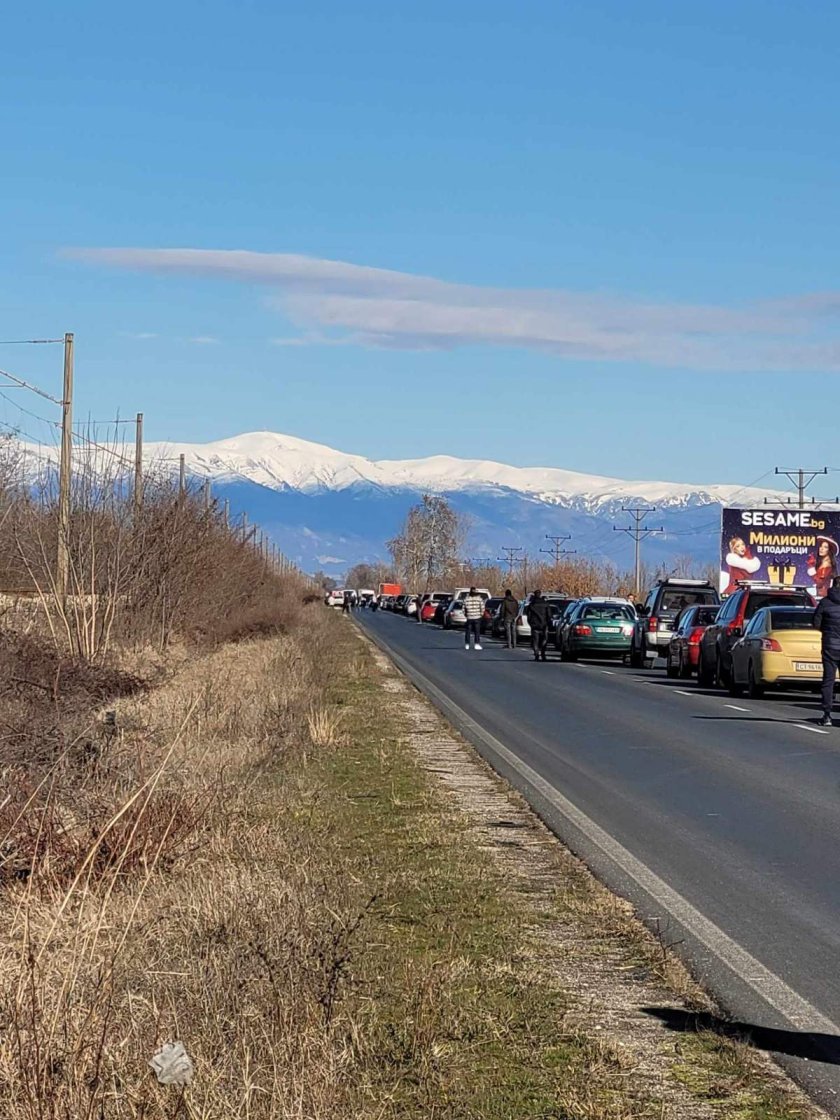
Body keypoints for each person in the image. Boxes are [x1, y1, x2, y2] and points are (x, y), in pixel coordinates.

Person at [813, 576, 840, 726]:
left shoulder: (825, 603)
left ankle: (827, 715)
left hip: (830, 646)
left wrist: (827, 631)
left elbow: (816, 622)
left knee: (828, 681)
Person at [808, 535, 839, 600]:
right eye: (821, 546)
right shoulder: (823, 563)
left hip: (823, 596)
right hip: (822, 595)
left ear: (829, 550)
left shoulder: (827, 565)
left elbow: (819, 583)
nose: (821, 548)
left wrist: (811, 567)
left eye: (825, 547)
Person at [526, 589, 550, 662]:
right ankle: (543, 653)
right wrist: (547, 622)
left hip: (535, 626)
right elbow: (549, 615)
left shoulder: (531, 605)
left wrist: (531, 624)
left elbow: (528, 616)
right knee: (544, 639)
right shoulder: (546, 604)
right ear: (540, 594)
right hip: (544, 625)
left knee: (535, 641)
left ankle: (536, 653)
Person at [462, 587, 484, 651]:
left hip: (469, 617)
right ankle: (476, 644)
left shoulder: (466, 599)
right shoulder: (479, 599)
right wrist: (481, 614)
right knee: (477, 631)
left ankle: (467, 644)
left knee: (468, 631)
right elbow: (482, 607)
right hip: (477, 617)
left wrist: (466, 615)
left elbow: (463, 608)